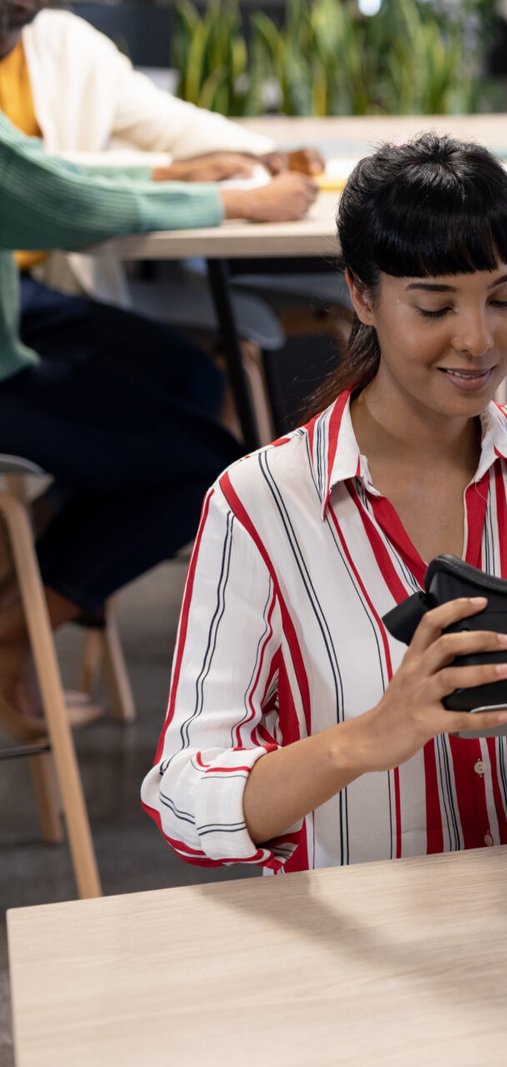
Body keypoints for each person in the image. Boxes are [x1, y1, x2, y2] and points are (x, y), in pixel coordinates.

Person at [142, 134, 507, 872]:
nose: (478, 339)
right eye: (435, 306)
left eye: (504, 297)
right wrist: (361, 740)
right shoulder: (260, 505)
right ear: (361, 295)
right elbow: (185, 792)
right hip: (376, 946)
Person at [0, 105, 317, 741]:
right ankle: (11, 630)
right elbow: (65, 207)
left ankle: (26, 570)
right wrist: (239, 204)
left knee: (184, 376)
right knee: (204, 470)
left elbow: (33, 174)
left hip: (14, 308)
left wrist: (173, 174)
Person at [0, 0, 324, 303]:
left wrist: (266, 155)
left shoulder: (63, 39)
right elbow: (59, 192)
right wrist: (244, 203)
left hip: (39, 283)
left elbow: (160, 118)